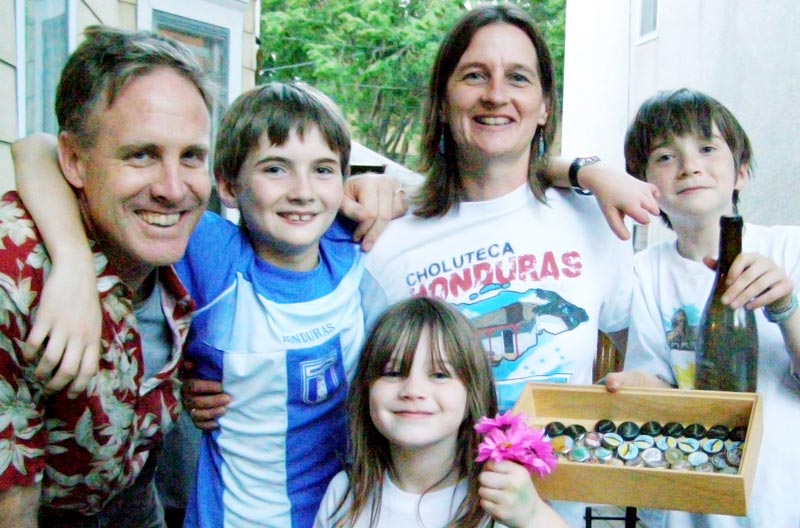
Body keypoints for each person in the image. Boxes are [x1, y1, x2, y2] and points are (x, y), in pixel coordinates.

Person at [0, 25, 213, 527]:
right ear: (75, 160)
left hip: (132, 498)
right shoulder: (18, 279)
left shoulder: (179, 235)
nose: (172, 188)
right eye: (141, 154)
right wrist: (72, 264)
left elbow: (33, 148)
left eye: (191, 156)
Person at [605, 88, 800, 527]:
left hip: (783, 501)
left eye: (707, 148)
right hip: (690, 508)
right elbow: (658, 387)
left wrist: (787, 306)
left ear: (742, 172)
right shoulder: (642, 273)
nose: (690, 165)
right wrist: (635, 391)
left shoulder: (790, 247)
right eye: (665, 156)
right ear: (646, 186)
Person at [176, 81, 367, 528]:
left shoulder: (351, 244)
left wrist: (382, 188)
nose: (302, 191)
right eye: (276, 169)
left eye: (323, 170)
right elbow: (40, 152)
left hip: (346, 514)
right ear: (226, 184)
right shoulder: (212, 255)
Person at [314, 297, 566, 528]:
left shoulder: (507, 497)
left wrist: (534, 517)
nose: (413, 390)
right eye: (393, 372)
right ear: (366, 389)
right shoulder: (344, 494)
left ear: (473, 392)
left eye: (439, 374)